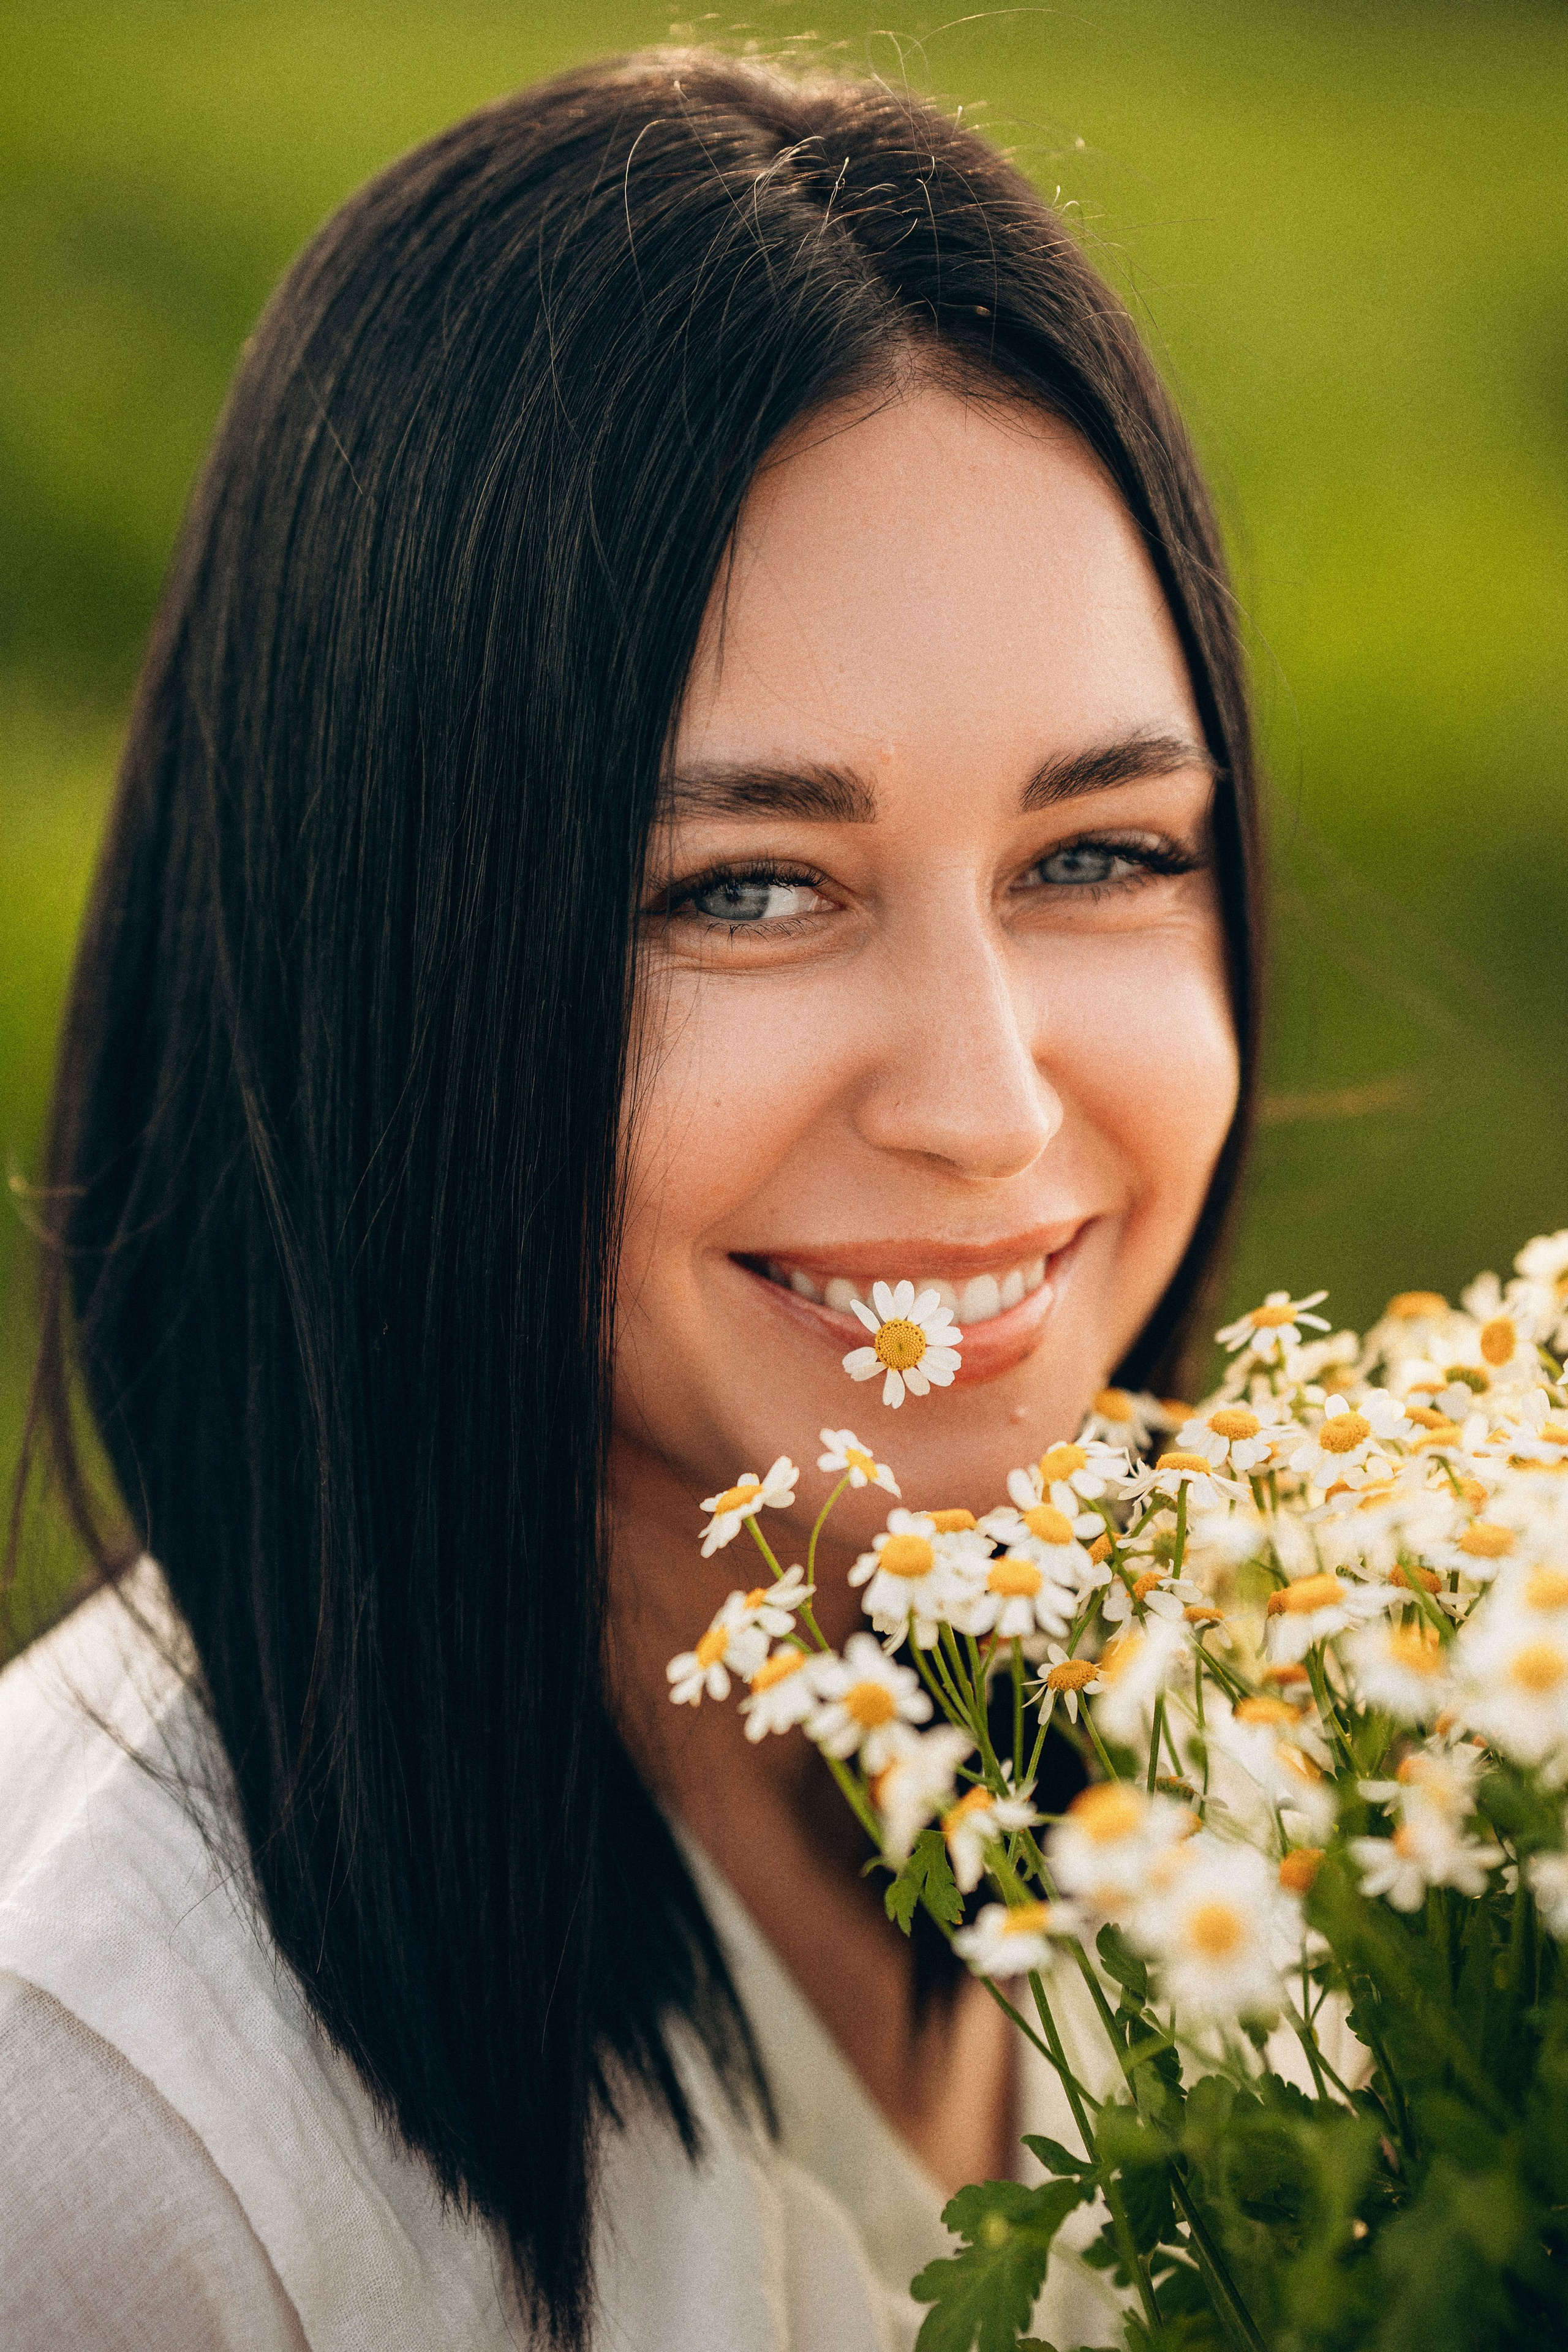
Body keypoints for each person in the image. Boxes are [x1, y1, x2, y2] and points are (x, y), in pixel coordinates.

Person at [0, 46, 1259, 2351]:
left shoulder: (1326, 1796)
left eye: (1097, 855)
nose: (989, 1109)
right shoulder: (91, 2154)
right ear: (374, 953)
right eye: (749, 890)